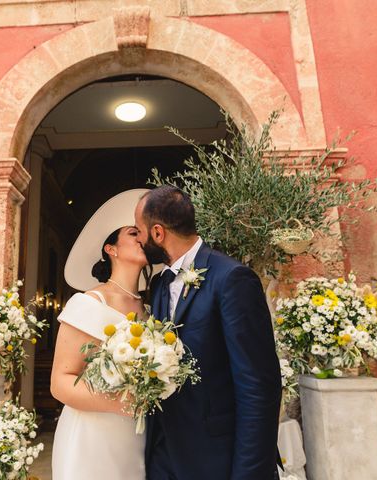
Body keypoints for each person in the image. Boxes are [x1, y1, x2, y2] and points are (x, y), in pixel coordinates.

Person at [134, 185, 282, 480]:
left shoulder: (232, 279)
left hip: (216, 460)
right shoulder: (161, 285)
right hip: (164, 456)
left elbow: (259, 387)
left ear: (158, 233)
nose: (138, 239)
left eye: (139, 231)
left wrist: (248, 474)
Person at [50, 189, 152, 480]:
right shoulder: (88, 303)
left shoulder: (148, 309)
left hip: (135, 436)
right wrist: (122, 402)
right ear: (112, 249)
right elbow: (60, 382)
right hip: (92, 437)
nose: (142, 238)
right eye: (133, 233)